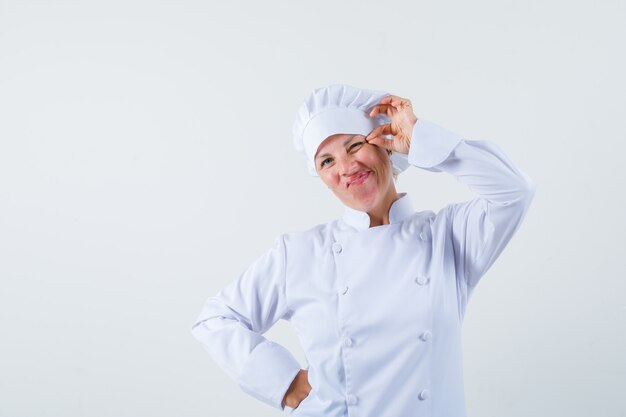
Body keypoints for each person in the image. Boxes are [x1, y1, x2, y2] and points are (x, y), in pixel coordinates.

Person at [191, 84, 536, 417]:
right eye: (326, 161)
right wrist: (283, 382)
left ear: (385, 145)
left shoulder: (448, 237)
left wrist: (419, 137)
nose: (346, 167)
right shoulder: (299, 253)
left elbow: (514, 191)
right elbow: (216, 319)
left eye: (354, 145)